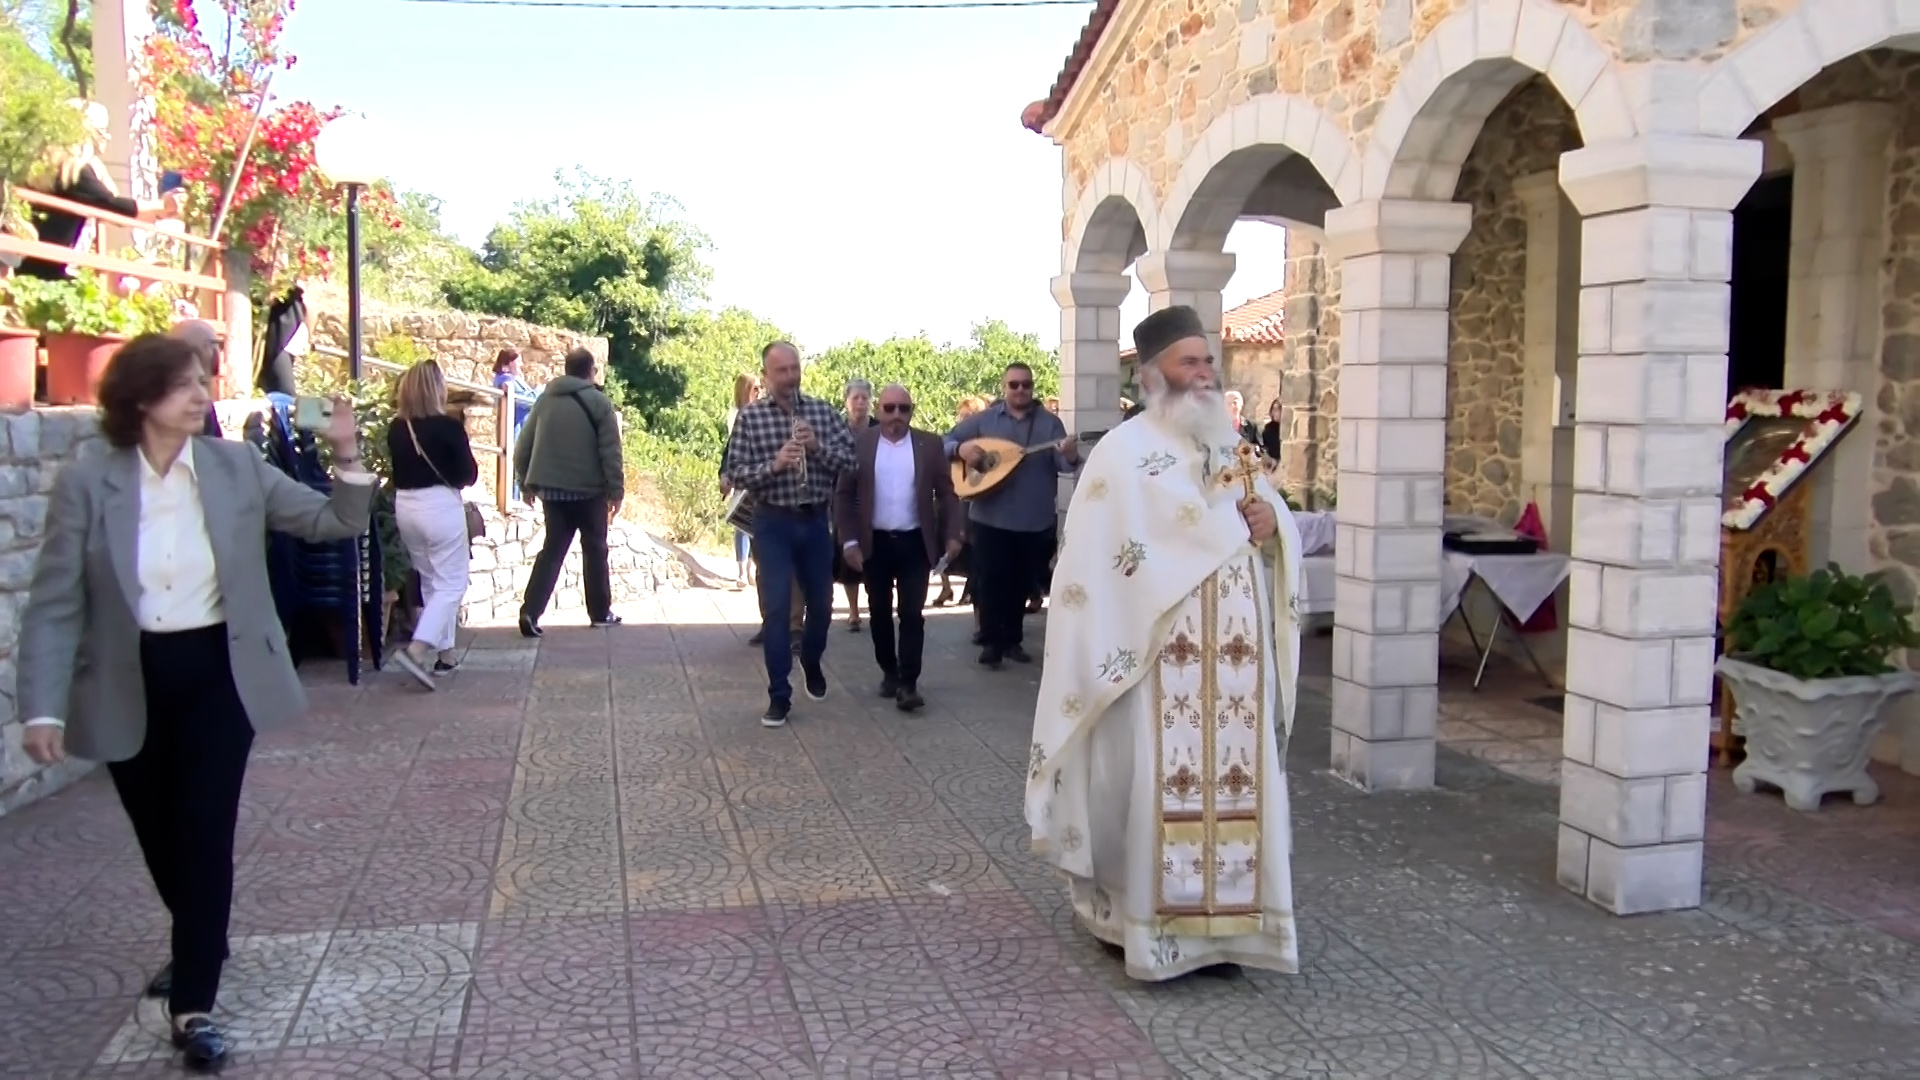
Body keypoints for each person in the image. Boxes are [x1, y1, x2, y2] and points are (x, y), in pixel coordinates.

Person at [15, 334, 374, 1070]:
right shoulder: (90, 480)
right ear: (142, 398)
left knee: (205, 831)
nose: (202, 395)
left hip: (219, 673)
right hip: (126, 676)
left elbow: (333, 521)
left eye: (204, 381)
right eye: (185, 384)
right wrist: (42, 707)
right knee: (161, 835)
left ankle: (193, 1004)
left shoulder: (235, 466)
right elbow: (54, 603)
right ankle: (202, 937)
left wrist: (346, 454)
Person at [1027, 304, 1303, 984]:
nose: (1205, 372)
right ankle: (1137, 927)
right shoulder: (1120, 456)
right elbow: (1094, 569)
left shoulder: (1232, 448)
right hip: (1151, 669)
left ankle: (1224, 932)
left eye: (1208, 360)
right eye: (1189, 362)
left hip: (1235, 681)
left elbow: (1269, 528)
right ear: (1153, 376)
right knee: (1142, 790)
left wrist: (1271, 528)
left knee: (1234, 791)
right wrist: (1222, 534)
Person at [721, 340, 856, 727]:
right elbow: (735, 472)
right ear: (766, 376)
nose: (790, 377)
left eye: (795, 368)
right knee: (777, 609)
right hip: (773, 521)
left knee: (823, 604)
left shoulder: (822, 412)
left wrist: (817, 447)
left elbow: (852, 462)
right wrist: (776, 464)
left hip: (814, 521)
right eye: (782, 371)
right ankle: (779, 694)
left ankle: (811, 659)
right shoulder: (751, 418)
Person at [834, 383, 963, 712]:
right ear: (878, 410)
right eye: (889, 408)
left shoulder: (929, 445)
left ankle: (908, 682)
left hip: (914, 542)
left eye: (903, 409)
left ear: (911, 412)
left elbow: (947, 493)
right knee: (879, 612)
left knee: (911, 614)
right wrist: (849, 540)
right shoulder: (861, 443)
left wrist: (953, 534)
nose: (896, 415)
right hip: (874, 542)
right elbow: (843, 495)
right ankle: (889, 671)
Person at [945, 363, 1079, 669]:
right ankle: (991, 643)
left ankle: (1013, 641)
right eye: (1014, 385)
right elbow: (945, 442)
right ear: (1004, 387)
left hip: (1033, 520)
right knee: (991, 581)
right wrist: (961, 449)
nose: (1020, 390)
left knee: (1021, 583)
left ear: (1032, 387)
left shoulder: (1050, 424)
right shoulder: (985, 420)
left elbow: (1065, 466)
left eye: (1026, 385)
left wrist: (1070, 454)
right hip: (990, 518)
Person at [513, 347, 625, 637]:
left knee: (552, 551)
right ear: (591, 371)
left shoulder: (545, 400)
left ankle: (530, 611)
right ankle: (600, 612)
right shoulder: (599, 403)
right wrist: (616, 490)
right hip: (589, 491)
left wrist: (525, 482)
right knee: (595, 550)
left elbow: (523, 444)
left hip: (553, 492)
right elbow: (610, 451)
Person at [387, 360, 479, 686]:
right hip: (440, 507)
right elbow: (468, 475)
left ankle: (446, 654)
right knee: (451, 584)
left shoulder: (398, 428)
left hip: (406, 507)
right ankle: (417, 649)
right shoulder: (448, 427)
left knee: (431, 581)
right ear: (436, 389)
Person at [16, 100, 179, 279]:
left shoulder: (47, 165)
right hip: (45, 268)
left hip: (29, 261)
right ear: (88, 133)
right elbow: (113, 206)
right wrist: (164, 206)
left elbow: (110, 201)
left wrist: (97, 165)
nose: (107, 137)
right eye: (103, 130)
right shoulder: (73, 169)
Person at [933, 393, 989, 610]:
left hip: (973, 503)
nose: (964, 420)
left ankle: (972, 592)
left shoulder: (987, 443)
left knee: (973, 548)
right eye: (962, 416)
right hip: (952, 499)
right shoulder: (955, 442)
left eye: (969, 416)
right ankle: (946, 586)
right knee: (943, 541)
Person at [834, 378, 878, 632]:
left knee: (875, 557)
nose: (860, 402)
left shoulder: (880, 429)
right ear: (846, 401)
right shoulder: (838, 431)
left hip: (875, 500)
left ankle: (877, 606)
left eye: (865, 398)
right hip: (845, 498)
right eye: (855, 398)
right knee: (846, 555)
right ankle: (853, 611)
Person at [722, 372, 761, 587]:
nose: (759, 392)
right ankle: (741, 571)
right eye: (754, 388)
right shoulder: (737, 414)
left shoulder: (764, 413)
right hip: (743, 473)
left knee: (756, 524)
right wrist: (726, 474)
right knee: (741, 522)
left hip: (761, 475)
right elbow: (730, 448)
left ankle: (752, 569)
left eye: (760, 388)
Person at [1261, 396, 1284, 462]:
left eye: (1278, 409)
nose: (1275, 412)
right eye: (1273, 409)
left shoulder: (1287, 427)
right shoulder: (1269, 429)